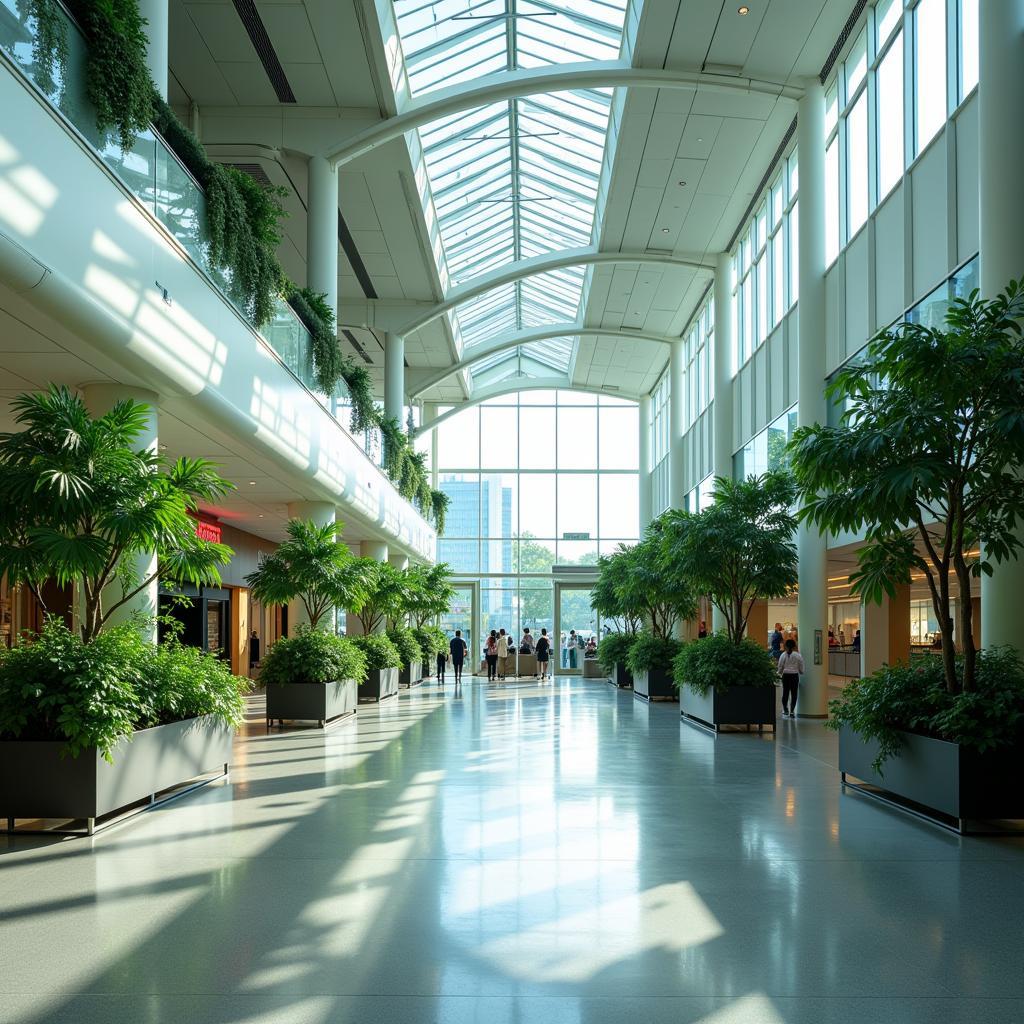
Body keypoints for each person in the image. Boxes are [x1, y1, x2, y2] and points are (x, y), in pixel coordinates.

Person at [777, 637, 805, 718]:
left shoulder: (783, 655)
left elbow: (780, 666)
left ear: (785, 646)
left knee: (785, 693)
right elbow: (801, 666)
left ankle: (785, 710)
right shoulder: (798, 655)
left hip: (785, 676)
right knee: (794, 693)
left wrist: (779, 672)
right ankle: (792, 711)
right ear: (794, 646)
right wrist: (801, 671)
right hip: (794, 676)